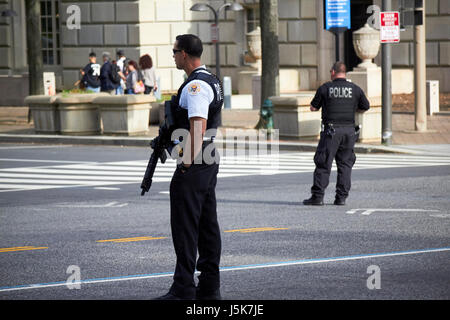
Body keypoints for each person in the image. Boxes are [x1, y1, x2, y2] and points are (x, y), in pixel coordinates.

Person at [156, 34, 223, 300]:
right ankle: (209, 286)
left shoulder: (196, 86)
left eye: (174, 51)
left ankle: (184, 287)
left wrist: (185, 163)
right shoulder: (212, 80)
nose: (173, 56)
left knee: (185, 227)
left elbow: (198, 125)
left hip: (196, 158)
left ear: (184, 54)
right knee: (207, 225)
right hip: (208, 156)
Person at [303, 61, 370, 206]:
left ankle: (318, 197)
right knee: (345, 165)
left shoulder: (325, 88)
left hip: (331, 132)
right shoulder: (355, 89)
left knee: (323, 163)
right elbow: (366, 106)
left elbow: (313, 108)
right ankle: (341, 198)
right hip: (349, 132)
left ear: (333, 72)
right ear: (344, 73)